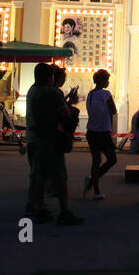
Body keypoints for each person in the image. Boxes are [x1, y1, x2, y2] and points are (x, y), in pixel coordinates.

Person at [31, 65, 84, 225]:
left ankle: (39, 208)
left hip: (39, 136)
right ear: (50, 77)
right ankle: (64, 211)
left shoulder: (34, 92)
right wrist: (71, 103)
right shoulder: (53, 93)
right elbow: (66, 113)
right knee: (60, 176)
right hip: (53, 137)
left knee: (41, 175)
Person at [23, 63, 53, 222]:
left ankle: (33, 204)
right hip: (41, 139)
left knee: (36, 174)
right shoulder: (44, 92)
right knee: (41, 175)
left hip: (32, 137)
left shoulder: (32, 90)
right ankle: (37, 206)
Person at [84, 69, 118, 199]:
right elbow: (113, 110)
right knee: (112, 159)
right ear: (102, 81)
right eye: (107, 80)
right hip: (103, 132)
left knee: (96, 161)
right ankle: (92, 182)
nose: (108, 82)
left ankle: (96, 190)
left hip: (91, 132)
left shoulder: (90, 94)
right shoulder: (106, 94)